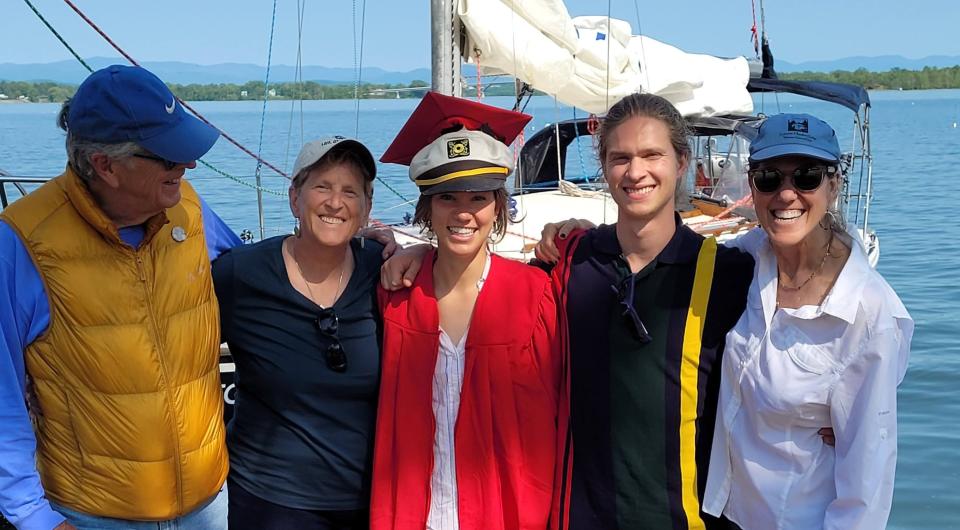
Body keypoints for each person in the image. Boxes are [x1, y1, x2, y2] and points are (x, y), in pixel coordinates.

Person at [0, 65, 240, 530]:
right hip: (93, 516)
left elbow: (262, 276)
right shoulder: (23, 241)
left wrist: (367, 253)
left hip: (207, 504)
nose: (186, 167)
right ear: (105, 166)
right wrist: (33, 516)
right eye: (169, 157)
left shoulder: (186, 207)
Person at [526, 93, 753, 530]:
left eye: (652, 155)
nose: (635, 172)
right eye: (620, 158)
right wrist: (418, 255)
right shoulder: (570, 261)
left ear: (681, 162)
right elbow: (484, 297)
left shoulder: (729, 274)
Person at [701, 113, 913, 529]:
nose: (786, 194)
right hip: (726, 510)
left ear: (833, 185)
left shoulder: (866, 312)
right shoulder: (754, 255)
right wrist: (586, 236)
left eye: (807, 176)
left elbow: (867, 482)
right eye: (769, 178)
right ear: (752, 186)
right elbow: (675, 256)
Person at [371, 92, 561, 530]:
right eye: (446, 198)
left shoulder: (536, 295)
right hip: (416, 514)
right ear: (427, 208)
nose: (463, 212)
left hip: (507, 514)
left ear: (498, 204)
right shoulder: (396, 294)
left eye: (478, 197)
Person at [212, 136, 385, 530]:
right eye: (322, 186)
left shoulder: (384, 270)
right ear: (294, 198)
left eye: (350, 191)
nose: (335, 202)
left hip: (372, 500)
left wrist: (415, 251)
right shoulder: (241, 273)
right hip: (269, 501)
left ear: (366, 208)